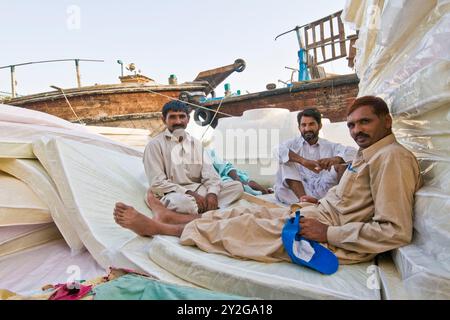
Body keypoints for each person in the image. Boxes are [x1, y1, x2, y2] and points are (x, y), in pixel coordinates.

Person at [114, 96, 423, 265]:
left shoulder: (390, 158)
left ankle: (162, 226)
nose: (356, 130)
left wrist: (328, 230)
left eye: (364, 122)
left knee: (244, 222)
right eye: (353, 124)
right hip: (315, 209)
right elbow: (158, 180)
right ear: (166, 121)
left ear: (387, 121)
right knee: (243, 212)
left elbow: (394, 231)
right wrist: (321, 200)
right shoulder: (368, 154)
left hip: (326, 230)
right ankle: (172, 216)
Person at [142, 100, 243, 214]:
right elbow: (157, 183)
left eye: (182, 117)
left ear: (188, 119)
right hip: (173, 194)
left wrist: (212, 194)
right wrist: (190, 194)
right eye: (172, 117)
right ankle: (207, 209)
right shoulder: (155, 145)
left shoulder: (196, 144)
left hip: (199, 190)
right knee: (184, 203)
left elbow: (210, 175)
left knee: (236, 187)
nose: (178, 121)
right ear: (164, 119)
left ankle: (203, 208)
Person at [274, 108, 356, 205]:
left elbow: (353, 152)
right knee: (285, 161)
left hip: (323, 189)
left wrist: (335, 159)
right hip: (297, 192)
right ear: (299, 128)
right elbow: (276, 150)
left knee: (342, 164)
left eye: (311, 124)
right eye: (303, 125)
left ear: (320, 126)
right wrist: (303, 161)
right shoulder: (292, 144)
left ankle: (342, 202)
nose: (307, 129)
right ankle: (304, 201)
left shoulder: (329, 145)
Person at [207, 149, 273, 196]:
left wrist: (238, 180)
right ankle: (261, 191)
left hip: (227, 178)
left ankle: (263, 191)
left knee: (239, 184)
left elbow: (226, 166)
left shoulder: (208, 153)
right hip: (212, 185)